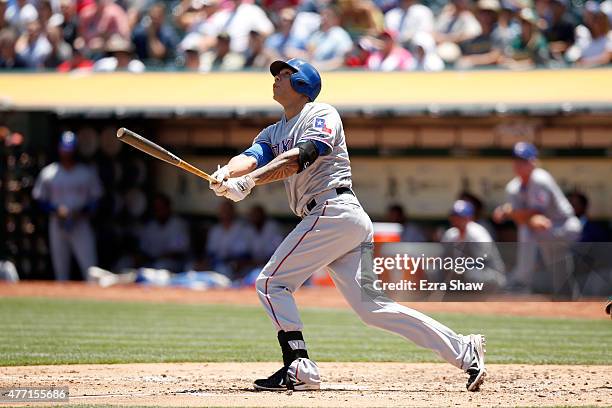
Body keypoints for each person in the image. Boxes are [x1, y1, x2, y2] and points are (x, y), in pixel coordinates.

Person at [208, 58, 487, 392]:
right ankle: (464, 350)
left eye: (285, 75)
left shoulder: (322, 113)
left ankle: (299, 366)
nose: (277, 79)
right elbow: (252, 156)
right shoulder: (273, 130)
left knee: (271, 283)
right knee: (373, 309)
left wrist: (249, 182)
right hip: (336, 218)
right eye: (277, 75)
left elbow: (300, 157)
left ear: (303, 84)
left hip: (333, 210)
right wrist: (228, 173)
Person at [493, 142, 581, 295]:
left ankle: (520, 280)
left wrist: (509, 211)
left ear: (533, 161)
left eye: (523, 160)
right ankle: (569, 299)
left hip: (564, 226)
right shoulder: (513, 187)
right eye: (516, 160)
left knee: (531, 230)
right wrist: (516, 214)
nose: (519, 164)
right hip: (544, 230)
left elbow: (535, 212)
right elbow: (526, 218)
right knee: (557, 270)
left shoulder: (540, 178)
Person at [32, 131, 103, 281]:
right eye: (65, 150)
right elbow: (39, 199)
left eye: (70, 150)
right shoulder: (49, 173)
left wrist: (82, 211)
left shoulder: (86, 172)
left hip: (80, 223)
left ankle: (96, 298)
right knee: (60, 268)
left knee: (90, 267)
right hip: (57, 223)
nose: (67, 153)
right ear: (59, 149)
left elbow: (97, 199)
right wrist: (55, 210)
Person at [441, 200, 506, 291]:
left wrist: (459, 266)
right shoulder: (450, 235)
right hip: (464, 274)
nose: (456, 220)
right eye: (454, 216)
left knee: (471, 275)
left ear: (469, 218)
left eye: (460, 217)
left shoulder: (477, 233)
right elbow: (444, 259)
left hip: (490, 274)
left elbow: (482, 261)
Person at [138, 193, 190, 273]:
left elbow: (179, 253)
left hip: (173, 264)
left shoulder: (178, 225)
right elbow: (143, 250)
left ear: (168, 207)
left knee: (160, 266)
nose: (159, 211)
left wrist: (162, 256)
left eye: (161, 207)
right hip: (151, 262)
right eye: (156, 208)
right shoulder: (150, 226)